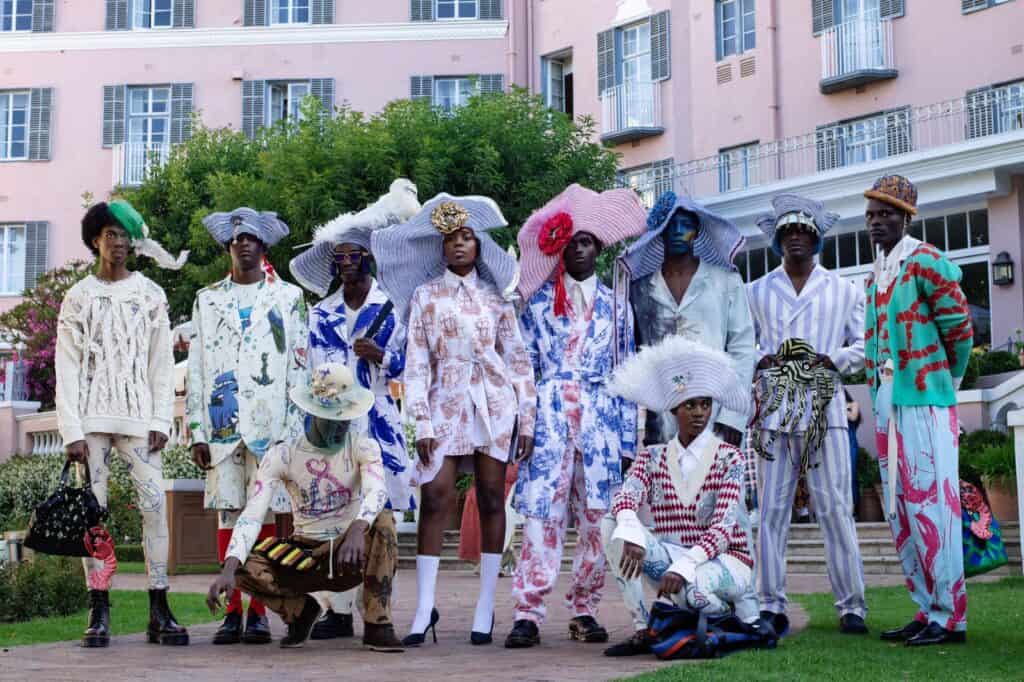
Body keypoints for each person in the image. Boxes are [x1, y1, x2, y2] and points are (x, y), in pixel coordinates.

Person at [372, 194, 537, 646]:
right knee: (436, 494)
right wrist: (421, 422)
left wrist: (527, 422)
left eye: (467, 237)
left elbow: (519, 362)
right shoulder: (426, 296)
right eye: (451, 239)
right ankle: (424, 607)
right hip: (444, 401)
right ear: (441, 248)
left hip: (495, 403)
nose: (460, 245)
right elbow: (418, 362)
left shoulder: (497, 298)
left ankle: (486, 605)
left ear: (479, 245)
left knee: (489, 497)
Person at [504, 184, 646, 648]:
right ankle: (527, 610)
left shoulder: (617, 305)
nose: (577, 249)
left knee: (596, 517)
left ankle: (584, 608)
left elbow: (625, 374)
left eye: (585, 242)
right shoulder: (538, 303)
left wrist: (628, 442)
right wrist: (523, 425)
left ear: (598, 248)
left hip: (602, 420)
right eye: (569, 243)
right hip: (548, 416)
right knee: (542, 516)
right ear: (557, 248)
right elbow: (523, 368)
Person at [56, 200, 189, 648]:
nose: (118, 243)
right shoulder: (78, 296)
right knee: (92, 517)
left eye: (125, 236)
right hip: (90, 423)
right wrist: (71, 430)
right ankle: (98, 609)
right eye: (110, 234)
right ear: (95, 239)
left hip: (138, 421)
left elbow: (161, 361)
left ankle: (159, 606)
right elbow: (67, 364)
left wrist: (160, 418)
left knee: (154, 509)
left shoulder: (150, 293)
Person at [291, 179, 420, 639]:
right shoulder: (320, 313)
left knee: (379, 514)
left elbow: (414, 364)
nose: (345, 263)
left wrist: (381, 357)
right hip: (334, 428)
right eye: (338, 257)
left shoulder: (394, 309)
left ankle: (377, 611)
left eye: (353, 256)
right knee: (337, 514)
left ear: (368, 258)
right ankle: (339, 613)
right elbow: (309, 373)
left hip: (381, 425)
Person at [206, 363, 403, 651]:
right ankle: (300, 611)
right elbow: (252, 514)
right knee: (240, 564)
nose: (339, 426)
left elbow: (377, 490)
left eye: (345, 418)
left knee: (384, 522)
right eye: (331, 419)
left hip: (350, 551)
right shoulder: (283, 454)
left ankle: (377, 622)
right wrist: (229, 567)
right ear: (311, 413)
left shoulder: (364, 446)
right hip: (305, 556)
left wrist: (359, 529)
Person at [601, 337, 773, 657]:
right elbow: (626, 496)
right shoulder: (652, 456)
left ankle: (725, 615)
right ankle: (643, 628)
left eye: (705, 404)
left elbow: (723, 529)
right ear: (674, 410)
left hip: (725, 562)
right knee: (610, 525)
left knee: (694, 592)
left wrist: (685, 567)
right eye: (690, 405)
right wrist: (630, 530)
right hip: (672, 559)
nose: (699, 413)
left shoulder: (729, 457)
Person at [747, 194, 868, 636]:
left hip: (825, 409)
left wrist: (832, 360)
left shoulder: (844, 290)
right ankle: (769, 604)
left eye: (804, 231)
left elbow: (864, 344)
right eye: (788, 232)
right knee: (771, 510)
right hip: (774, 412)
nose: (796, 238)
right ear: (777, 240)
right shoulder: (755, 291)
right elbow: (744, 345)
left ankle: (852, 605)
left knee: (835, 507)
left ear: (817, 239)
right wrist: (762, 360)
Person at [187, 207, 308, 645]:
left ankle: (259, 610)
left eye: (252, 238)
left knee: (268, 514)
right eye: (236, 238)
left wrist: (294, 432)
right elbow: (197, 369)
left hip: (271, 421)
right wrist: (196, 429)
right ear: (228, 246)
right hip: (221, 424)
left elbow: (300, 367)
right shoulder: (207, 298)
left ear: (264, 246)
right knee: (228, 511)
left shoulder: (289, 298)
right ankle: (231, 610)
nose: (243, 244)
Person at [864, 175, 972, 646]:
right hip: (888, 401)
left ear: (907, 217)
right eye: (870, 214)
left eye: (886, 213)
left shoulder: (926, 261)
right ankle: (926, 607)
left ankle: (951, 617)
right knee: (900, 507)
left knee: (934, 506)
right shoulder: (876, 272)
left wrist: (949, 383)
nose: (876, 222)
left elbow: (960, 331)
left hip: (926, 398)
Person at [618, 191, 755, 450]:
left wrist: (733, 416)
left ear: (698, 232)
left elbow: (743, 347)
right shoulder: (640, 288)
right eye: (672, 224)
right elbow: (631, 354)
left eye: (687, 225)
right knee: (665, 486)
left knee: (713, 487)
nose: (679, 231)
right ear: (660, 230)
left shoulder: (725, 280)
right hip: (660, 416)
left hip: (714, 411)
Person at [845, 390, 862, 511]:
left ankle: (853, 509)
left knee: (851, 475)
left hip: (850, 444)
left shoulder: (853, 404)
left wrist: (839, 406)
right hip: (835, 445)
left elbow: (853, 417)